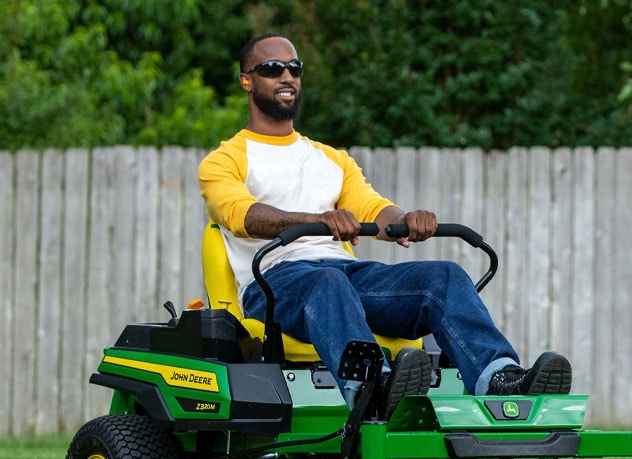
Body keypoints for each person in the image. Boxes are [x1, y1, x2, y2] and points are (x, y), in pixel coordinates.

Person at [198, 33, 572, 413]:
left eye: (294, 69)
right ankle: (373, 388)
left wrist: (406, 219)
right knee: (325, 283)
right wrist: (318, 219)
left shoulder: (331, 159)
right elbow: (241, 214)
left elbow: (371, 208)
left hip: (344, 276)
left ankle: (499, 378)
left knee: (444, 277)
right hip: (275, 286)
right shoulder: (224, 160)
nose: (287, 77)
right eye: (272, 68)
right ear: (247, 79)